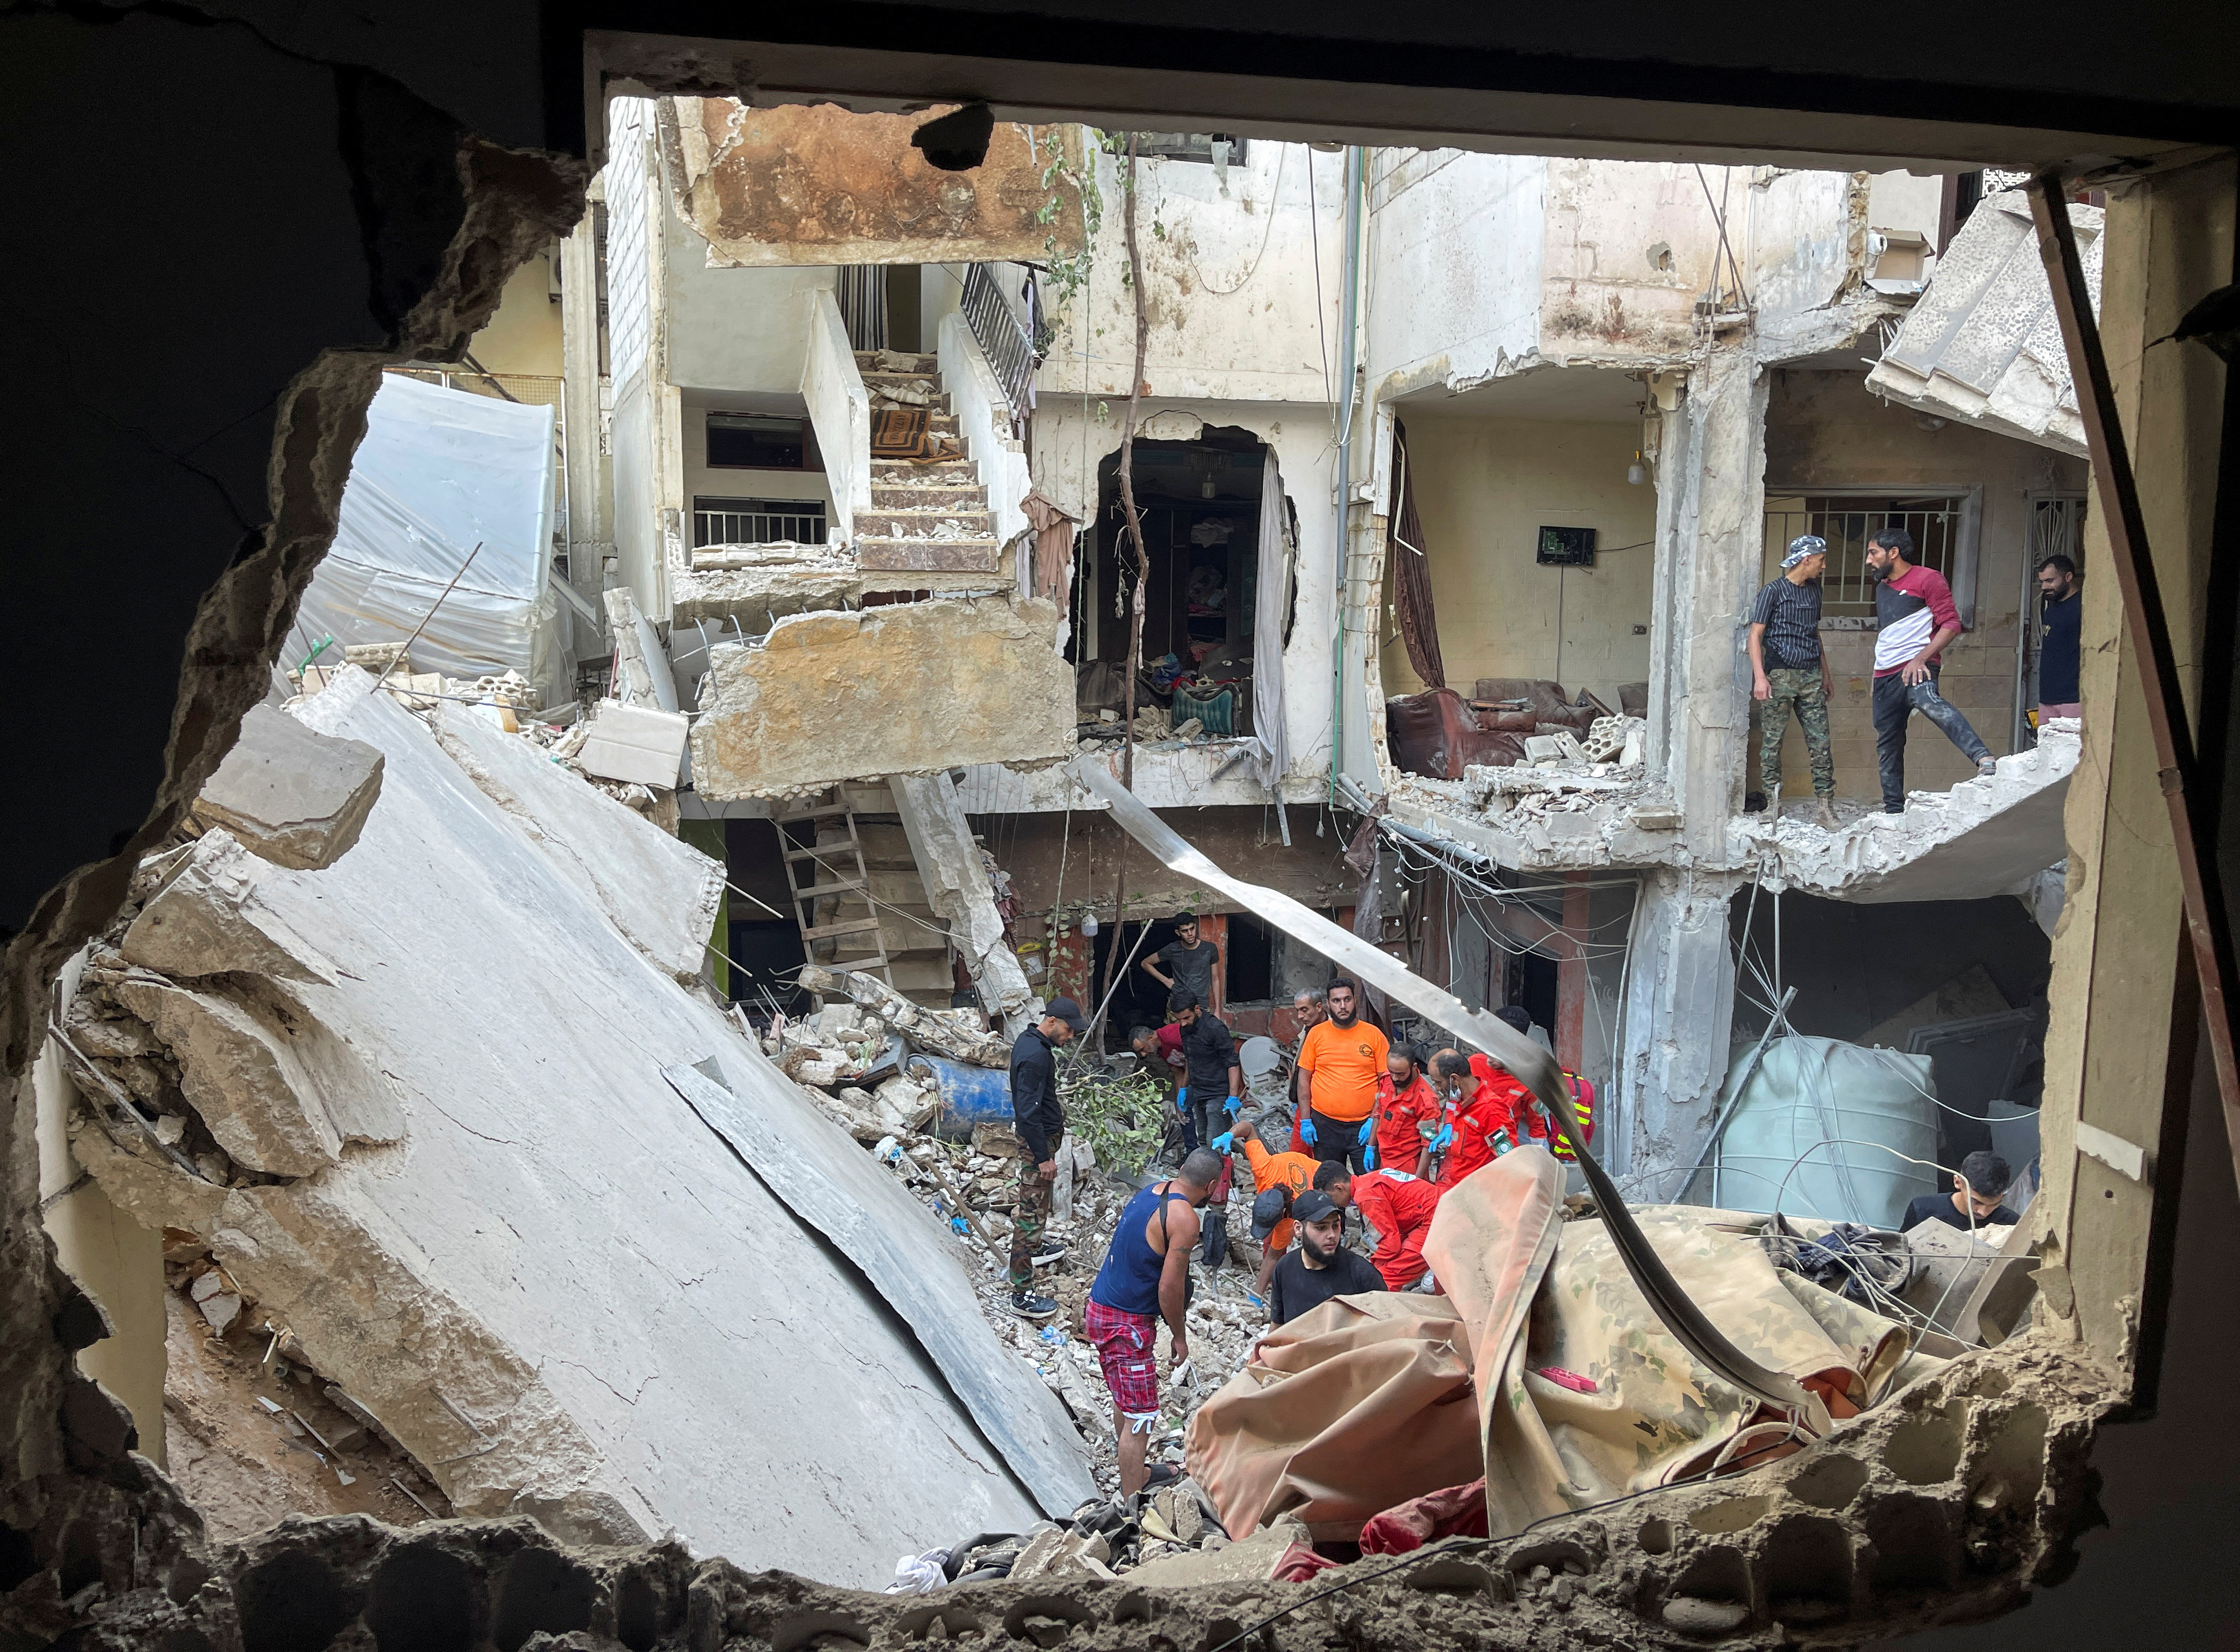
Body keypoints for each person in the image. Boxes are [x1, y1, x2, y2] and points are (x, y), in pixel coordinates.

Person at [1086, 1149, 1221, 1497]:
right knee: (1142, 1415)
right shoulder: (1185, 1220)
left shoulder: (1152, 1191)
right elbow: (1169, 1286)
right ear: (1211, 1185)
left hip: (1101, 1307)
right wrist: (1179, 1335)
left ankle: (1138, 1472)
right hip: (1125, 1323)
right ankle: (1130, 1505)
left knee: (1124, 1396)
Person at [1866, 527, 1997, 814]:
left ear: (1893, 553)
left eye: (1873, 552)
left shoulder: (1929, 578)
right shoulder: (1882, 587)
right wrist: (1878, 672)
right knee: (1888, 743)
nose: (1868, 560)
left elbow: (1951, 624)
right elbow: (1889, 634)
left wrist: (1921, 659)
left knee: (1933, 705)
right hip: (1884, 675)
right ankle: (1893, 812)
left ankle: (1984, 759)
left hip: (1918, 668)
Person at [1749, 534, 1841, 832]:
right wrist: (1760, 677)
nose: (1824, 566)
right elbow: (1755, 635)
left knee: (1821, 744)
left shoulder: (1815, 591)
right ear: (1807, 560)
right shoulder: (1773, 591)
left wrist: (1826, 673)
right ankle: (1773, 806)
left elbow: (1815, 633)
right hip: (1779, 677)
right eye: (1822, 560)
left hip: (1811, 676)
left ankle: (1825, 809)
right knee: (1772, 744)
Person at [1006, 996, 1088, 1319]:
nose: (1069, 1038)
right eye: (1068, 1031)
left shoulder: (1029, 1041)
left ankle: (1037, 1247)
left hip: (1041, 1140)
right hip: (1036, 1144)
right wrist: (1043, 1157)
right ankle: (1022, 1292)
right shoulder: (1036, 1056)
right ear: (1051, 1022)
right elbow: (1027, 1111)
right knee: (1031, 1213)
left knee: (1039, 1203)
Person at [1220, 1115, 1321, 1298]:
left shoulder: (1293, 1217)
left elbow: (1273, 1255)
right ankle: (1277, 1280)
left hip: (1316, 1176)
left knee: (1314, 1240)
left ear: (1283, 1215)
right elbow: (1248, 1127)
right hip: (1291, 1163)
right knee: (1270, 1243)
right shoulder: (1264, 1168)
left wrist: (1256, 1294)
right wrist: (1229, 1135)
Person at [1296, 978, 1389, 1172]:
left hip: (1364, 1127)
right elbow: (1304, 1079)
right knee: (1330, 1186)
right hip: (1324, 1125)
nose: (1343, 1006)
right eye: (1337, 1001)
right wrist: (1306, 1120)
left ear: (1355, 1001)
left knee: (1368, 1185)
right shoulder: (1316, 1034)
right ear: (1328, 1005)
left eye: (1347, 1000)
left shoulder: (1374, 1035)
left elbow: (1386, 1083)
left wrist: (1374, 1118)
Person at [1316, 1160, 1443, 1293]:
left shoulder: (1365, 1197)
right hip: (1438, 1211)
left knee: (1383, 1278)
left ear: (1339, 1188)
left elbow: (1390, 1245)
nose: (1332, 1203)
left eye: (1330, 1198)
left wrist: (1372, 1267)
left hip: (1434, 1221)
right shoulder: (1370, 1179)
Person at [1265, 1190, 1386, 1326]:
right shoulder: (1285, 1268)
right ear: (1298, 1229)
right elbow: (1278, 1327)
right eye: (1321, 1228)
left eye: (1335, 1226)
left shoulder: (1362, 1275)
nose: (1332, 1235)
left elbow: (1387, 1330)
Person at [1429, 1050, 1526, 1189]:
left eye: (1438, 1082)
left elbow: (1509, 1162)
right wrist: (1449, 1124)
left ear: (1454, 1079)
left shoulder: (1491, 1111)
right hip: (1455, 1183)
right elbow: (1453, 1107)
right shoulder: (1460, 1096)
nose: (1436, 1088)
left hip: (1475, 1192)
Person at [1169, 989, 1243, 1161]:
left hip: (1218, 1093)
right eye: (1179, 1020)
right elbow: (1190, 1059)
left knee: (1214, 1143)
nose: (1183, 1024)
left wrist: (1233, 1096)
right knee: (1202, 1140)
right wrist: (1183, 1088)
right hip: (1198, 1090)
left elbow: (1232, 1062)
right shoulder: (1185, 1029)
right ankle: (1211, 1183)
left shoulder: (1214, 1028)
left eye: (1186, 1018)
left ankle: (1222, 1183)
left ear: (1197, 1009)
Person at [1902, 1151, 2021, 1234]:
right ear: (1957, 1182)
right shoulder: (1923, 1209)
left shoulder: (2011, 1224)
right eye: (1976, 1202)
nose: (1983, 1212)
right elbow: (1901, 1256)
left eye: (1994, 1204)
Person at [1369, 1041, 1439, 1174]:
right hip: (1384, 1158)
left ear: (1414, 1067)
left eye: (1401, 1074)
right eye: (1392, 1072)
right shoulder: (1386, 1080)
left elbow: (1428, 1144)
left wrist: (1417, 1181)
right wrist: (1370, 1146)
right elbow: (1378, 1113)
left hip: (1408, 1164)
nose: (1395, 1078)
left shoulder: (1426, 1100)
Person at [2036, 554, 2083, 720]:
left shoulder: (2082, 607)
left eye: (2050, 581)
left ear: (2068, 577)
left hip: (2073, 698)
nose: (2044, 587)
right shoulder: (2051, 607)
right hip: (2047, 698)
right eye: (2042, 581)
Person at [1142, 913, 1219, 1009]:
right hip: (1178, 1005)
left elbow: (1215, 979)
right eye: (1185, 931)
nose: (1190, 934)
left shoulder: (1210, 949)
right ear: (1178, 932)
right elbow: (1146, 963)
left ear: (1196, 927)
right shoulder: (1173, 949)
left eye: (1192, 929)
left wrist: (1217, 1010)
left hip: (1201, 1005)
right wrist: (1166, 981)